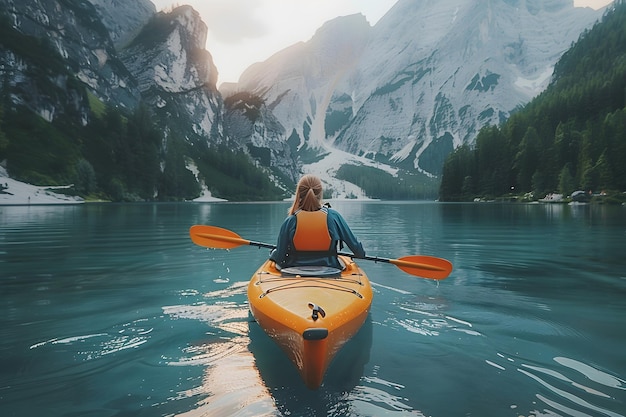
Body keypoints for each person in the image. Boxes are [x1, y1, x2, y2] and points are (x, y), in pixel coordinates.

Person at [270, 174, 365, 270]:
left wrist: (273, 253)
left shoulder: (291, 221)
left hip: (295, 271)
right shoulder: (333, 217)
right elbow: (359, 253)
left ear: (299, 193)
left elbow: (279, 257)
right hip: (330, 271)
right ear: (320, 194)